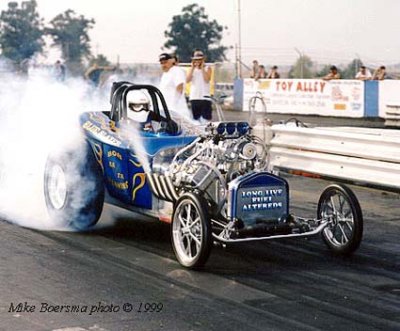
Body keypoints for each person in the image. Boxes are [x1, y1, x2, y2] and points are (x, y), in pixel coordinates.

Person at [158, 52, 189, 119]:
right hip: (167, 110)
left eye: (165, 62)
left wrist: (174, 105)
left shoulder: (176, 70)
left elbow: (179, 87)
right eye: (161, 63)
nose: (163, 65)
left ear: (171, 61)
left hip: (177, 110)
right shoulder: (165, 74)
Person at [186, 50, 212, 123]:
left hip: (205, 97)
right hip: (194, 97)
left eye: (200, 60)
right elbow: (187, 80)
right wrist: (192, 68)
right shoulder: (191, 69)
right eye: (196, 60)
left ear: (203, 60)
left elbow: (207, 80)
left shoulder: (207, 68)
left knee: (206, 119)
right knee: (195, 119)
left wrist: (202, 68)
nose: (198, 61)